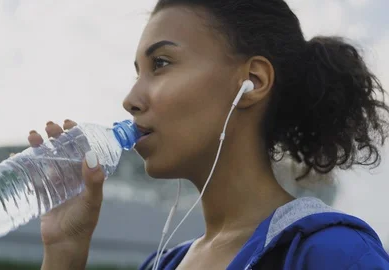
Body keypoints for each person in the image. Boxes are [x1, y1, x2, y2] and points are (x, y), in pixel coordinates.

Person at [31, 0, 389, 269]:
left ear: (252, 83)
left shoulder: (334, 253)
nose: (130, 100)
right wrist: (64, 250)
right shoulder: (162, 264)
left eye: (161, 64)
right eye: (137, 72)